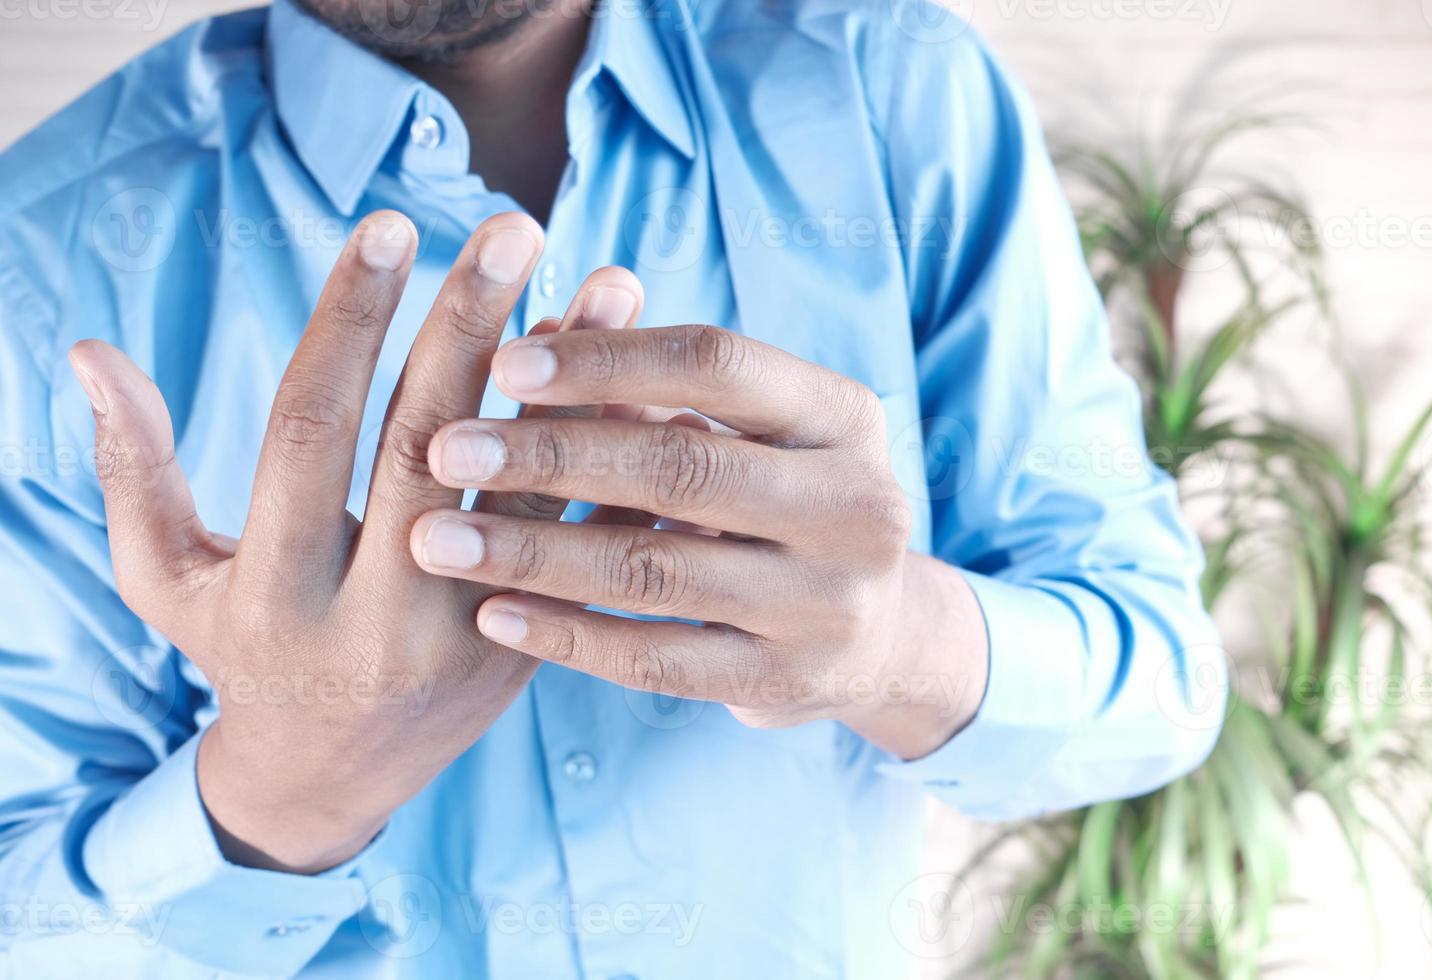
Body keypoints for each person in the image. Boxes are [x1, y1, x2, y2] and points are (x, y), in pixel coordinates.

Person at [0, 0, 1224, 975]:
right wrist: (280, 794)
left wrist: (900, 637)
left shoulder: (890, 86)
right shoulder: (38, 252)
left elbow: (1157, 680)